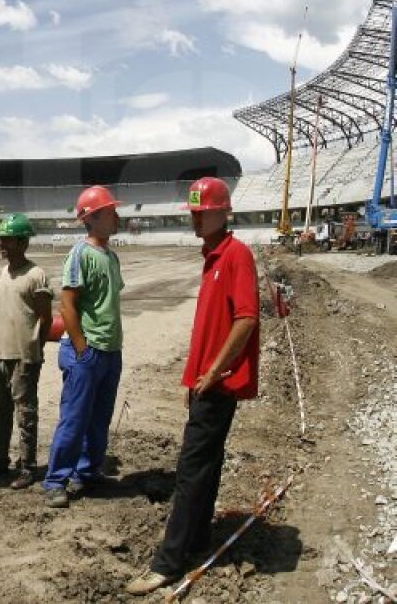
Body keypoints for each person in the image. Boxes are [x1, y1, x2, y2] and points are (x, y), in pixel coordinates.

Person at [127, 177, 260, 595]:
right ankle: (199, 539)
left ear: (224, 211)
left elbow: (246, 319)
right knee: (206, 465)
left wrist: (213, 373)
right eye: (194, 214)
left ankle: (168, 562)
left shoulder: (235, 255)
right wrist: (193, 378)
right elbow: (210, 329)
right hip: (205, 384)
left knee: (190, 470)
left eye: (204, 212)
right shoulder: (213, 256)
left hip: (216, 386)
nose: (197, 220)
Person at [43, 185, 125, 508]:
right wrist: (81, 348)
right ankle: (55, 481)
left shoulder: (112, 257)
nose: (117, 216)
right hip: (86, 352)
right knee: (74, 419)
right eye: (112, 211)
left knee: (99, 419)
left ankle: (87, 472)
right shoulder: (80, 254)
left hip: (110, 351)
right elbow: (67, 306)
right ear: (94, 217)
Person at [0, 213, 52, 490]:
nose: (1, 244)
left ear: (23, 242)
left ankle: (27, 466)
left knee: (25, 414)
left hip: (24, 357)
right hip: (1, 355)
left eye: (7, 239)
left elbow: (45, 318)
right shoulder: (0, 274)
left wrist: (34, 349)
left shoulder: (36, 275)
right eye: (1, 238)